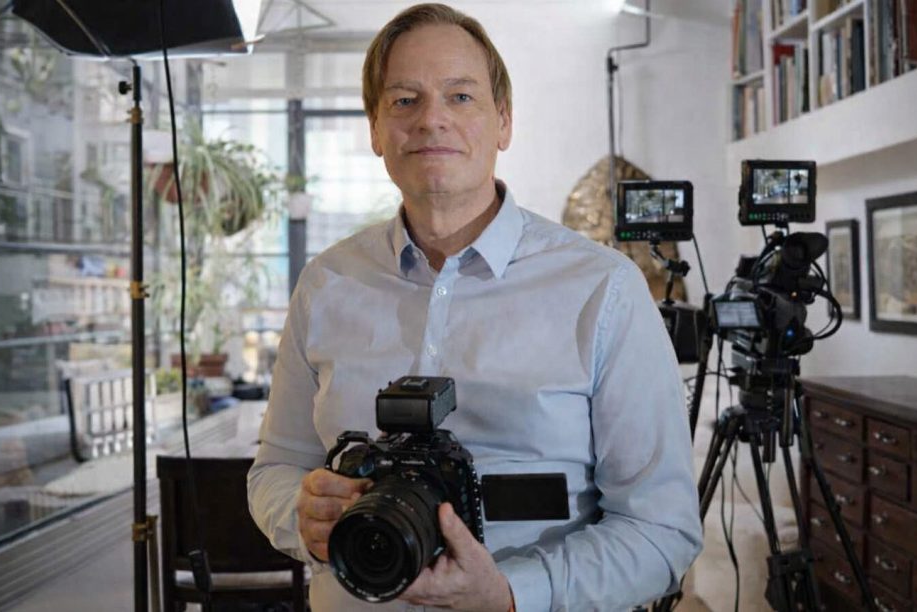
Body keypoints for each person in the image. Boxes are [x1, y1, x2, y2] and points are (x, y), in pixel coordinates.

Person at [247, 4, 701, 611]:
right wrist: (297, 513)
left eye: (460, 97)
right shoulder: (327, 284)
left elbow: (662, 530)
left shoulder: (605, 290)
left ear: (504, 122)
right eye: (404, 100)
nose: (432, 120)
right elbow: (275, 468)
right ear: (375, 130)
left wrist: (514, 593)